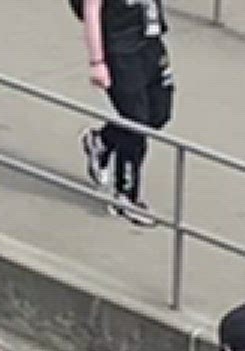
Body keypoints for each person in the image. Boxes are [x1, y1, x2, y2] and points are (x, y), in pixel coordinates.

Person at [74, 0, 174, 227]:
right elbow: (91, 10)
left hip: (150, 42)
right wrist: (97, 61)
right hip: (120, 51)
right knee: (136, 124)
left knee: (158, 115)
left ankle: (102, 142)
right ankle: (126, 195)